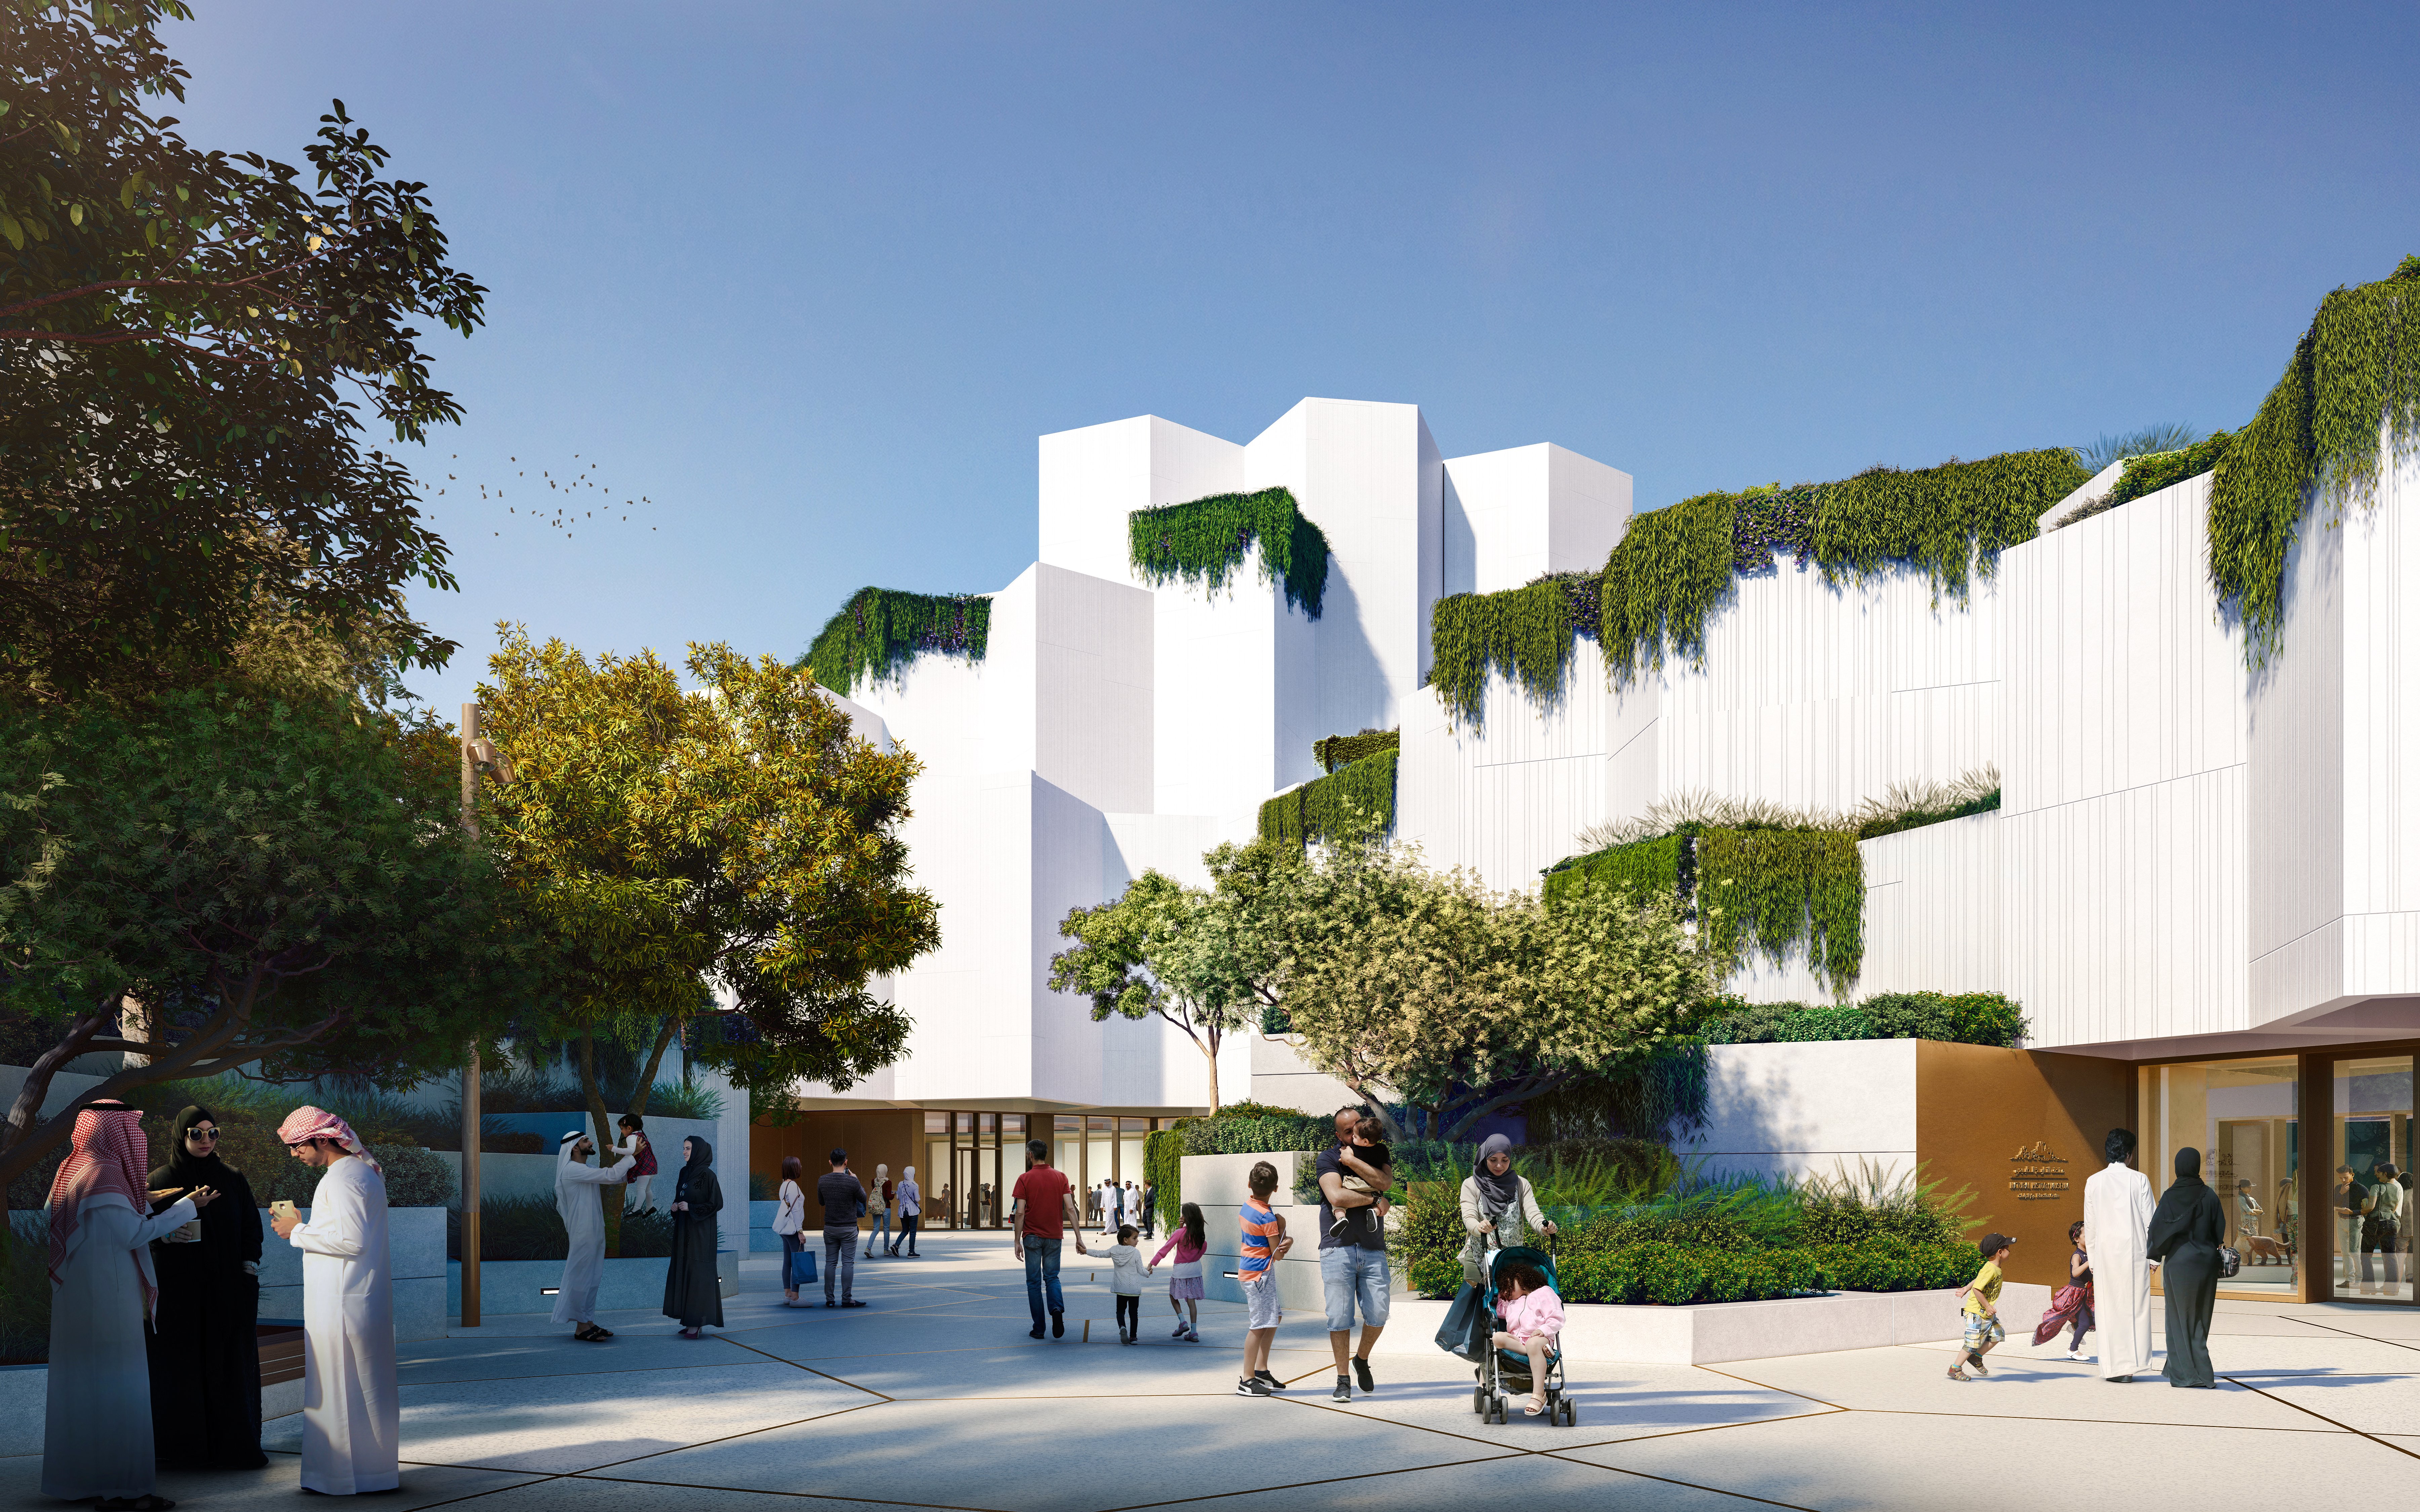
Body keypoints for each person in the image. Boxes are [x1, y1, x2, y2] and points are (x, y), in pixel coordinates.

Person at [43, 1101, 209, 1509]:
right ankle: (126, 1491)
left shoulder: (73, 1168)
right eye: (130, 1128)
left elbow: (88, 1218)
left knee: (86, 1390)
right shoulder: (106, 1172)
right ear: (114, 1130)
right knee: (121, 1389)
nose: (136, 1137)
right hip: (110, 1296)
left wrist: (145, 1199)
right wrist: (188, 1207)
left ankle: (81, 1482)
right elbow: (133, 1234)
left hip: (80, 1298)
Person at [270, 1105, 399, 1495]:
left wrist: (297, 1231)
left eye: (298, 1146)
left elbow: (351, 1241)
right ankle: (370, 1476)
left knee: (340, 1391)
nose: (294, 1153)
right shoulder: (360, 1172)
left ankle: (338, 1480)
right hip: (355, 1300)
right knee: (363, 1392)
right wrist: (304, 1227)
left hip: (342, 1306)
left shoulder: (342, 1178)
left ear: (323, 1140)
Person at [146, 1103, 268, 1471]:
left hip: (228, 1291)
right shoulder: (159, 1180)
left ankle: (233, 1448)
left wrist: (248, 1269)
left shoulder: (232, 1178)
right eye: (196, 1133)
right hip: (178, 1293)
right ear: (180, 1135)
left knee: (229, 1365)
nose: (206, 1140)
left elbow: (252, 1227)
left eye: (213, 1133)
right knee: (181, 1367)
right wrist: (165, 1238)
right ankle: (183, 1451)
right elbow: (138, 1232)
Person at [1315, 1108, 1394, 1401]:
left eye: (1357, 1128)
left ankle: (1361, 1359)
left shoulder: (1377, 1152)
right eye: (1347, 1132)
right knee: (1339, 1317)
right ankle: (1343, 1379)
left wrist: (1355, 1164)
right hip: (1337, 1248)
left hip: (1373, 1248)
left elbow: (1386, 1183)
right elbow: (1337, 1196)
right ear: (1339, 1135)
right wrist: (1374, 1199)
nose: (1354, 1135)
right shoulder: (1328, 1158)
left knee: (1379, 1313)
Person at [2082, 1126, 2157, 1382]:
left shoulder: (2094, 1181)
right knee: (2135, 1310)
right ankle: (2131, 1365)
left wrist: (2092, 1260)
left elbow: (2090, 1225)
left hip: (2104, 1256)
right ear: (2129, 1154)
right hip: (2134, 1255)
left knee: (2108, 1311)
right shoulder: (2139, 1180)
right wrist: (2154, 1257)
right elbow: (2151, 1222)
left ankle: (2113, 1369)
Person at [2146, 1146, 2225, 1387]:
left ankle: (2191, 1374)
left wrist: (2155, 1256)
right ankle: (2179, 1367)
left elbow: (2157, 1230)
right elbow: (2219, 1230)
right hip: (2206, 1264)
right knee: (2200, 1316)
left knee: (2178, 1317)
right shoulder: (2209, 1195)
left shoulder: (2171, 1196)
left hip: (2179, 1264)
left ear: (2178, 1167)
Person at [552, 1128, 636, 1341]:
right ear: (574, 1148)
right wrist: (631, 1155)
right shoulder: (572, 1170)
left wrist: (635, 1165)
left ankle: (588, 1321)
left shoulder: (585, 1168)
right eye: (586, 1141)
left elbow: (614, 1178)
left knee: (592, 1278)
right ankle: (581, 1327)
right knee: (582, 1277)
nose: (590, 1143)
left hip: (594, 1230)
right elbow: (610, 1175)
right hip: (583, 1231)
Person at [1009, 1138, 1086, 1338]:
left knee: (1034, 1283)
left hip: (1032, 1237)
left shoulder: (1024, 1179)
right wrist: (1079, 1237)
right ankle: (1057, 1310)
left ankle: (1039, 1329)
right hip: (1054, 1237)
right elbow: (1070, 1209)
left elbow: (1020, 1213)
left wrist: (1017, 1241)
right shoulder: (1061, 1177)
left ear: (1030, 1155)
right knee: (1052, 1278)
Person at [1458, 1132, 1556, 1287]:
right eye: (1493, 1160)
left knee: (1512, 1300)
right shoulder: (1471, 1185)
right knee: (1477, 1300)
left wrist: (1544, 1227)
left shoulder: (1521, 1184)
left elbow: (1533, 1214)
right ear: (1485, 1158)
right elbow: (1469, 1217)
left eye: (1505, 1160)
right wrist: (1479, 1227)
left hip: (1512, 1257)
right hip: (1480, 1254)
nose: (1499, 1166)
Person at [1237, 1160, 1290, 1396]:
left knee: (1274, 1317)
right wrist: (1285, 1232)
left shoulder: (1247, 1207)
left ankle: (1261, 1371)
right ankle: (1247, 1380)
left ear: (1249, 1184)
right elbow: (1277, 1253)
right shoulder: (1268, 1218)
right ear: (1276, 1189)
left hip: (1254, 1272)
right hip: (1260, 1275)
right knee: (1259, 1326)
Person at [662, 1136, 725, 1337]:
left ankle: (696, 1323)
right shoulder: (684, 1172)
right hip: (684, 1232)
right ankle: (689, 1319)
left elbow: (717, 1203)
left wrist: (692, 1208)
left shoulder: (708, 1175)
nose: (684, 1152)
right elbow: (680, 1197)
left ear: (698, 1151)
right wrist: (675, 1206)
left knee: (698, 1274)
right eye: (684, 1148)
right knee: (686, 1272)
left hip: (701, 1235)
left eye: (688, 1149)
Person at [1490, 1259, 1566, 1417]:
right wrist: (1497, 1293)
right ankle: (1530, 1351)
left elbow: (1557, 1318)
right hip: (1519, 1341)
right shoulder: (1512, 1303)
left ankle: (1539, 1394)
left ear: (1519, 1278)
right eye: (1503, 1289)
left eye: (1508, 1286)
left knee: (1533, 1344)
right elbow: (1497, 1309)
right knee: (1497, 1338)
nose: (1506, 1292)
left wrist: (1543, 1330)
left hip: (1540, 1338)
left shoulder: (1544, 1293)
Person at [1945, 1233, 2013, 1382]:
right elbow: (1978, 1289)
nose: (2010, 1251)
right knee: (1972, 1343)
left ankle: (1976, 1358)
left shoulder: (1994, 1268)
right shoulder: (1991, 1269)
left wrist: (1966, 1288)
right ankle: (1955, 1368)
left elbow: (1979, 1280)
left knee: (1998, 1334)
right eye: (2008, 1248)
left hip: (1985, 1312)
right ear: (2000, 1252)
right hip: (1976, 1313)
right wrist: (1988, 1306)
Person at [817, 1149, 868, 1307]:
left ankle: (830, 1300)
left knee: (830, 1263)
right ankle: (847, 1299)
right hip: (849, 1228)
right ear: (846, 1162)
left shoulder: (822, 1180)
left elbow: (821, 1202)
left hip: (830, 1228)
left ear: (830, 1162)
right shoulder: (852, 1181)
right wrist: (857, 1180)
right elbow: (863, 1198)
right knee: (848, 1264)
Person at [1151, 1202, 1208, 1341]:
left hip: (1181, 1271)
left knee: (1173, 1295)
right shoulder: (1200, 1235)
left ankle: (1183, 1322)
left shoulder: (1179, 1233)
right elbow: (1202, 1250)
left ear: (1186, 1217)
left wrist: (1152, 1264)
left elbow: (1166, 1249)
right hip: (1195, 1271)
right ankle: (1194, 1332)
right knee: (1191, 1300)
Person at [774, 1155, 809, 1305]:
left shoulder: (784, 1185)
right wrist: (800, 1231)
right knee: (798, 1262)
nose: (801, 1168)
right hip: (793, 1230)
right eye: (799, 1166)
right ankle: (795, 1298)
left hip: (785, 1229)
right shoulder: (793, 1186)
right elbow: (795, 1210)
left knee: (788, 1262)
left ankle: (788, 1295)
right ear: (794, 1169)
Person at [2333, 1165, 2373, 1293]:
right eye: (2341, 1178)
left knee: (2355, 1252)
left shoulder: (2362, 1189)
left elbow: (2368, 1209)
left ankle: (2360, 1280)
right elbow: (2333, 1204)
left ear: (2353, 1175)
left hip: (2356, 1221)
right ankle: (2349, 1279)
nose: (2343, 1180)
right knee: (2345, 1252)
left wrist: (2352, 1212)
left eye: (2346, 1177)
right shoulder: (2338, 1188)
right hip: (2341, 1221)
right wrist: (2341, 1193)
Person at [1107, 1223, 1147, 1343]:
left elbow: (1099, 1253)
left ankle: (1122, 1327)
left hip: (1121, 1289)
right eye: (1135, 1238)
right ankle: (1133, 1337)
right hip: (1134, 1289)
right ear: (1125, 1240)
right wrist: (1149, 1273)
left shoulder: (1114, 1250)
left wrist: (1085, 1251)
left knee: (1120, 1311)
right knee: (1133, 1313)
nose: (1137, 1241)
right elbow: (1141, 1271)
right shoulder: (1136, 1252)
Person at [2062, 1220, 2096, 1361]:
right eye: (2086, 1236)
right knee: (2085, 1324)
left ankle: (2074, 1327)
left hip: (2087, 1293)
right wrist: (2089, 1263)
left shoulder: (2091, 1254)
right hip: (2075, 1294)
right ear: (2077, 1239)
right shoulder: (2077, 1256)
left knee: (2097, 1319)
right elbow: (2075, 1273)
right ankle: (2073, 1350)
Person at [2365, 1163, 2402, 1288]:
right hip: (2392, 1224)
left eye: (2379, 1173)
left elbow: (2371, 1207)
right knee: (2390, 1256)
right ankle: (2392, 1288)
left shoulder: (2377, 1187)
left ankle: (2368, 1287)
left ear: (2385, 1174)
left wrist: (2361, 1211)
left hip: (2376, 1224)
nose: (2377, 1175)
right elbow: (2394, 1209)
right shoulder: (2397, 1188)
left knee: (2366, 1256)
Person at [616, 1114, 658, 1215]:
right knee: (647, 1189)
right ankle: (650, 1207)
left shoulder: (631, 1137)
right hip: (651, 1166)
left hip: (644, 1167)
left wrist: (615, 1149)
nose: (621, 1132)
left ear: (629, 1128)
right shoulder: (641, 1135)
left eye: (622, 1129)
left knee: (641, 1188)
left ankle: (636, 1209)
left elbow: (630, 1151)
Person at [863, 1162, 893, 1259]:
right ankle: (886, 1250)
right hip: (886, 1208)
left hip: (876, 1207)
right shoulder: (888, 1182)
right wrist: (893, 1195)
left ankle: (868, 1249)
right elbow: (888, 1197)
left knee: (876, 1229)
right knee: (886, 1230)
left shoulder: (874, 1181)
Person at [891, 1165, 921, 1256]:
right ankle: (911, 1252)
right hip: (912, 1211)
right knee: (913, 1232)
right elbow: (917, 1199)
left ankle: (896, 1245)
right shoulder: (915, 1185)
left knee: (905, 1230)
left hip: (902, 1211)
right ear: (912, 1174)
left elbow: (898, 1198)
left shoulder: (901, 1184)